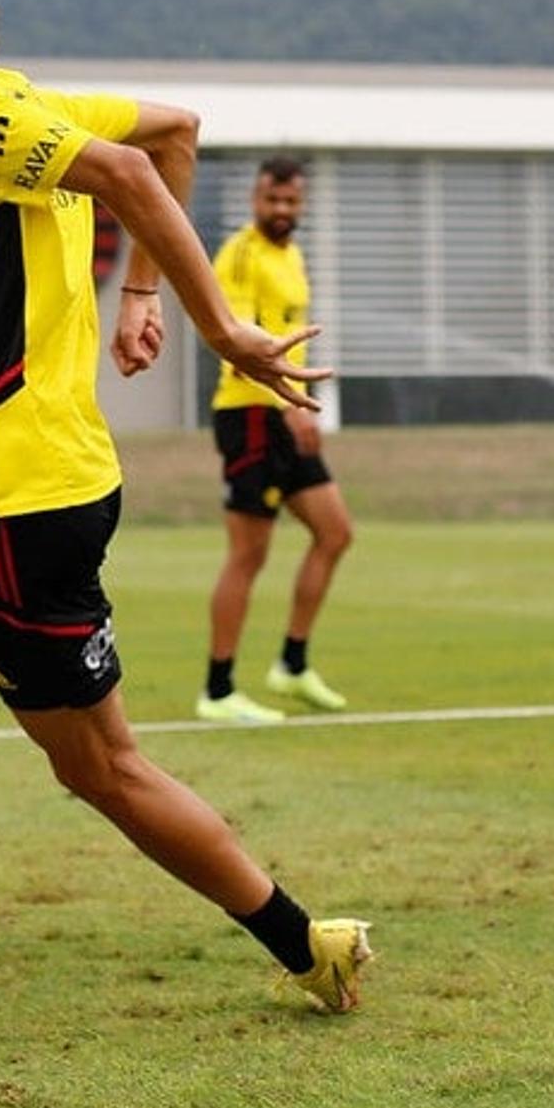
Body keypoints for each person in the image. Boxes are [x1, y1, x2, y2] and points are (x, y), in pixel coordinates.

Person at [0, 0, 371, 1013]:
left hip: (24, 501)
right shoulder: (21, 103)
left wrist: (218, 331)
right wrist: (140, 297)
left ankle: (308, 939)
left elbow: (130, 166)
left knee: (102, 769)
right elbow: (178, 126)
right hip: (20, 489)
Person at [196, 156, 353, 723]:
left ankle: (291, 662)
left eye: (291, 202)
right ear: (255, 200)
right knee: (249, 554)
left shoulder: (292, 254)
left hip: (286, 414)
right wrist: (291, 409)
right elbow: (239, 345)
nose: (282, 211)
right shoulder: (240, 254)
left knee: (335, 533)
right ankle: (217, 690)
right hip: (254, 417)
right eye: (272, 201)